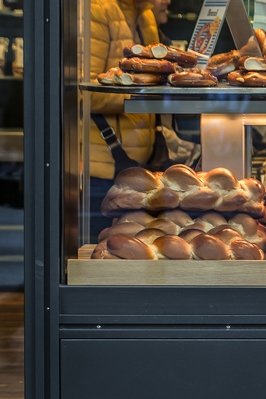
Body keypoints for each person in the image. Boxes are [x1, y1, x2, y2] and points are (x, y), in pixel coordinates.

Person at [87, 0, 162, 241]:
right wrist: (141, 95)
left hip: (140, 168)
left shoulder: (146, 16)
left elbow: (154, 78)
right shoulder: (97, 12)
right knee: (104, 251)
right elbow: (84, 95)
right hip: (103, 167)